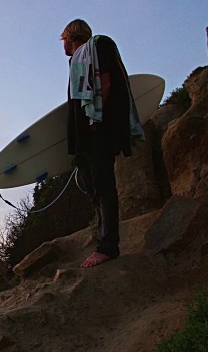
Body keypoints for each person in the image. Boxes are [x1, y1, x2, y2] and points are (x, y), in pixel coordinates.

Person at [60, 19, 144, 268]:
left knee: (103, 183)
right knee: (94, 185)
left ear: (70, 36)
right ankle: (103, 236)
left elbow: (105, 82)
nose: (62, 45)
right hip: (87, 133)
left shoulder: (99, 46)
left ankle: (108, 247)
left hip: (98, 128)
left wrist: (94, 119)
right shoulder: (76, 60)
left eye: (63, 39)